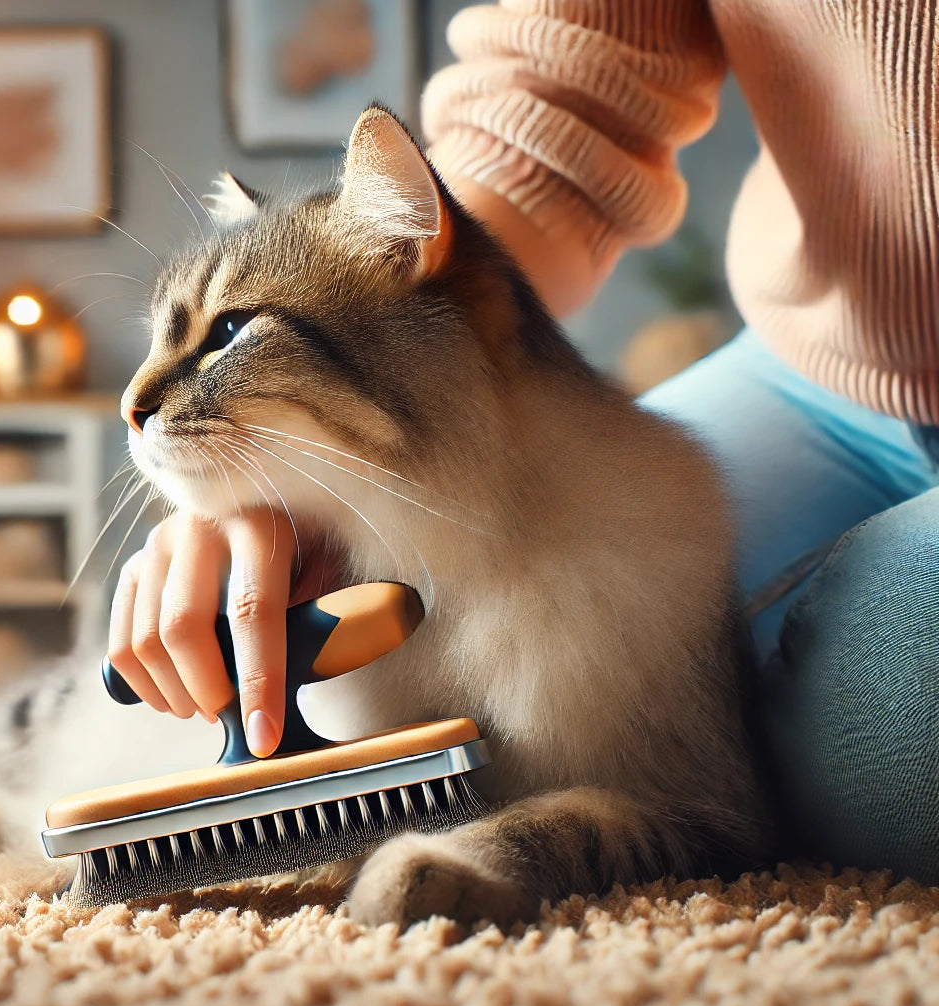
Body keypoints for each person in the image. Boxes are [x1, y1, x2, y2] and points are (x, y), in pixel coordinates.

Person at [111, 1, 939, 881]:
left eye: (227, 334)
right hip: (828, 366)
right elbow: (568, 99)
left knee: (895, 737)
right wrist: (272, 494)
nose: (138, 402)